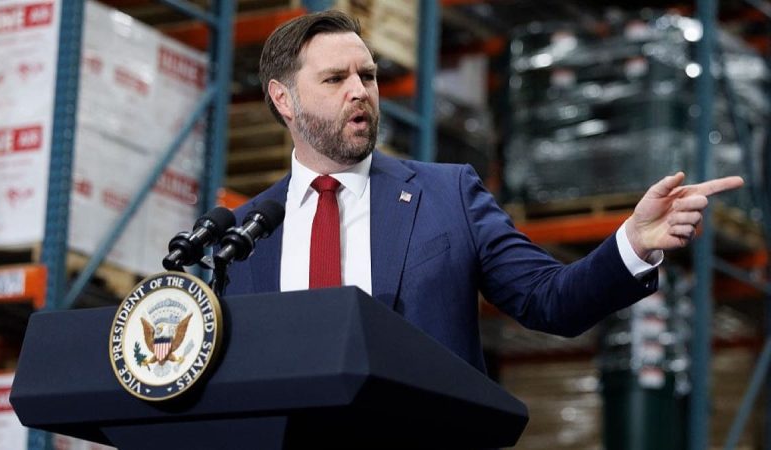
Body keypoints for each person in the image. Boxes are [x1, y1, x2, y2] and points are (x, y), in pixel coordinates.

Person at [224, 10, 744, 373]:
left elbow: (550, 301)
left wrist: (634, 241)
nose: (359, 91)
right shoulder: (243, 236)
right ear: (283, 100)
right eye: (335, 79)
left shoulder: (448, 195)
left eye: (369, 75)